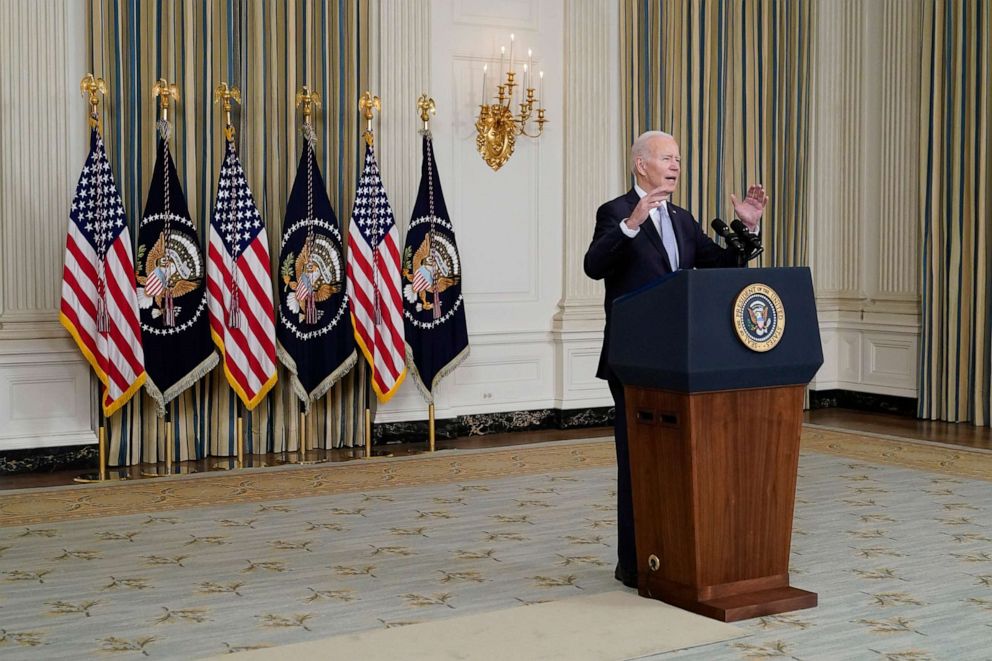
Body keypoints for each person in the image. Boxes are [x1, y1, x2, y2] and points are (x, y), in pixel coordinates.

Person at [583, 130, 767, 588]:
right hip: (633, 361)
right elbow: (594, 265)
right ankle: (633, 563)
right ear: (640, 163)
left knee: (679, 459)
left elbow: (722, 266)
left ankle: (675, 553)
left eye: (679, 159)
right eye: (667, 158)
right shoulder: (614, 212)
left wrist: (747, 227)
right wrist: (632, 222)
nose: (676, 166)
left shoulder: (684, 220)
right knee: (637, 461)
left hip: (681, 360)